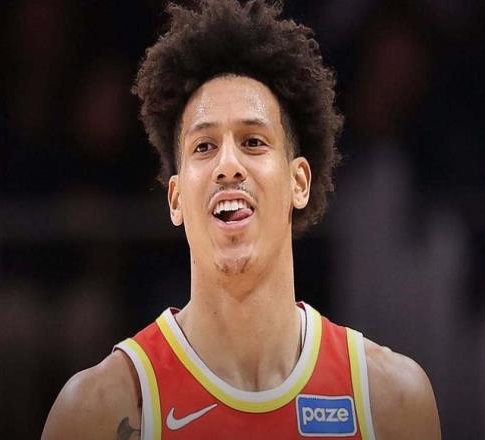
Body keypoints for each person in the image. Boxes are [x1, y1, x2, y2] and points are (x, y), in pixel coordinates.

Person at [41, 1, 441, 439]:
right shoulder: (99, 408)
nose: (228, 165)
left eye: (253, 141)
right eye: (204, 146)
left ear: (299, 183)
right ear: (175, 199)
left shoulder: (392, 399)